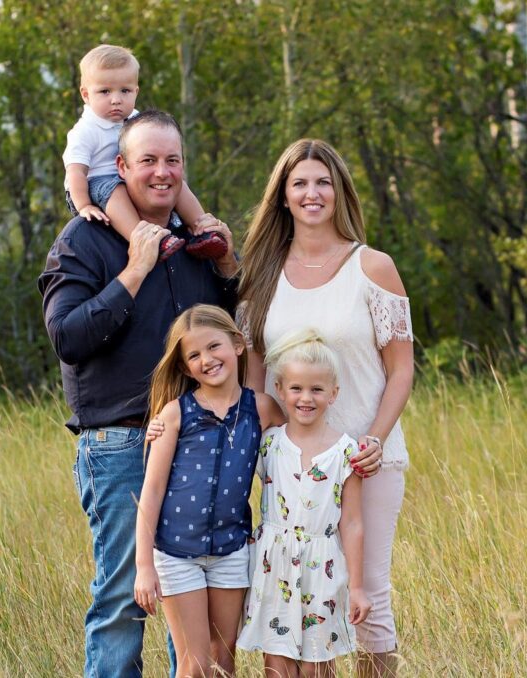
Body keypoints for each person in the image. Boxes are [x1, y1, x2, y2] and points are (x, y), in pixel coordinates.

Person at [38, 110, 238, 678]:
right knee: (127, 597)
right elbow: (68, 338)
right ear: (119, 167)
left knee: (193, 599)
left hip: (199, 440)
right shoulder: (86, 238)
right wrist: (134, 270)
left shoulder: (194, 239)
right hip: (121, 445)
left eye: (172, 160)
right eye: (147, 160)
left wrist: (226, 266)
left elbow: (228, 329)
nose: (161, 172)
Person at [237, 139, 414, 677]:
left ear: (339, 192)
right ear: (283, 197)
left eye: (322, 183)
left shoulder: (373, 267)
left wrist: (376, 440)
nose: (312, 193)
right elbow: (256, 381)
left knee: (367, 601)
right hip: (290, 467)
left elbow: (401, 368)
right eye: (300, 184)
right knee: (303, 601)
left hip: (365, 457)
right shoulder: (261, 277)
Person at [134, 305, 284, 677]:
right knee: (195, 663)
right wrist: (143, 566)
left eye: (214, 347)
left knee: (223, 658)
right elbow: (150, 493)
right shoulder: (174, 414)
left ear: (236, 344)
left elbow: (294, 454)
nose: (207, 360)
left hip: (232, 550)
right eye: (194, 355)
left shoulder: (262, 409)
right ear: (184, 367)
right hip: (176, 552)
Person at [238, 328, 372, 676]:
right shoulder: (268, 443)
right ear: (279, 390)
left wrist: (357, 588)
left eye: (316, 389)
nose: (305, 398)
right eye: (296, 388)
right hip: (274, 566)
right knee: (277, 665)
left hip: (323, 568)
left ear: (333, 393)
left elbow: (353, 522)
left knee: (317, 667)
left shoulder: (346, 452)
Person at [62, 44, 227, 260]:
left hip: (129, 176)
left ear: (136, 91)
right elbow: (75, 172)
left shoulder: (137, 120)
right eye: (104, 91)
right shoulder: (84, 131)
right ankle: (146, 240)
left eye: (125, 91)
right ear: (86, 94)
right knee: (115, 190)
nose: (116, 99)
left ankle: (202, 229)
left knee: (174, 181)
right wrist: (83, 205)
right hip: (93, 184)